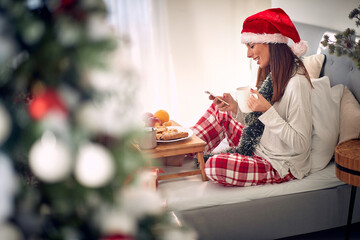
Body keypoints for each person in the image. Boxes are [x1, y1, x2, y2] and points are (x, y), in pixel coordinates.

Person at [191, 8, 313, 187]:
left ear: (271, 42)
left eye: (251, 46)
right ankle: (184, 151)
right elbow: (257, 124)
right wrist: (235, 109)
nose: (248, 54)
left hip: (278, 163)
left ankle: (189, 154)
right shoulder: (272, 73)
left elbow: (301, 144)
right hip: (259, 146)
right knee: (219, 111)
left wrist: (267, 110)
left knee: (214, 165)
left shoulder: (297, 83)